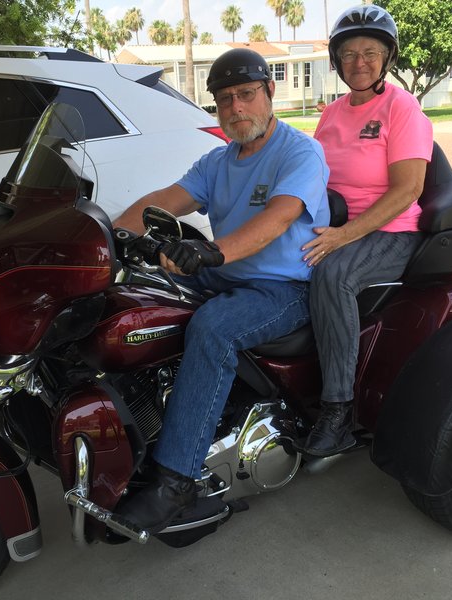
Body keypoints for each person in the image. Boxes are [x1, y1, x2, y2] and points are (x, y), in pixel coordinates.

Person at [113, 48, 331, 533]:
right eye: (225, 99)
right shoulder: (218, 160)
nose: (236, 109)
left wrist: (213, 252)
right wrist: (112, 234)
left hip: (284, 287)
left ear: (269, 93)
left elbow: (280, 217)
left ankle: (177, 483)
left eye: (246, 95)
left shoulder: (299, 151)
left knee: (212, 329)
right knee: (139, 299)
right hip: (227, 274)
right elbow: (164, 200)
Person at [300, 5, 434, 456]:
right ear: (337, 62)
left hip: (391, 230)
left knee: (332, 274)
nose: (360, 63)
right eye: (350, 54)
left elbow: (408, 189)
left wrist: (344, 235)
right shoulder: (333, 113)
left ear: (387, 58)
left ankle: (338, 409)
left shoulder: (402, 107)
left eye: (370, 53)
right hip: (336, 224)